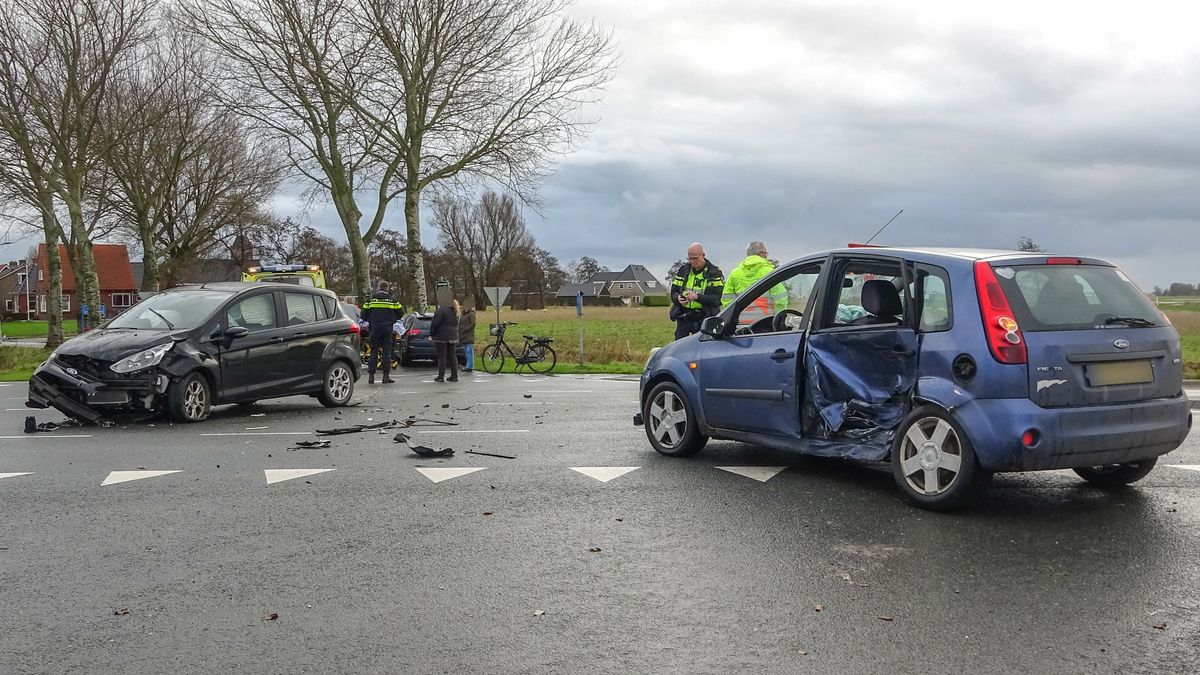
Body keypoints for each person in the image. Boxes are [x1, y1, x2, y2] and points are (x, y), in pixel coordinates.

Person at [723, 241, 787, 325]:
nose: (767, 256)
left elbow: (726, 301)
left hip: (741, 325)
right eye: (766, 253)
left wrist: (735, 319)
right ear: (760, 253)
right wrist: (779, 320)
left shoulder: (734, 273)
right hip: (765, 323)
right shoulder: (769, 272)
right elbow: (781, 299)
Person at [669, 242, 725, 339]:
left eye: (695, 258)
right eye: (690, 258)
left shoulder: (714, 273)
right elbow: (673, 292)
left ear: (703, 255)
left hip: (704, 318)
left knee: (703, 350)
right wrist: (678, 298)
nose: (692, 261)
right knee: (679, 348)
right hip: (684, 317)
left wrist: (697, 297)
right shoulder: (683, 270)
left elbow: (718, 299)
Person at [361, 281, 403, 384]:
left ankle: (371, 376)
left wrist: (371, 320)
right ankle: (386, 376)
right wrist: (392, 320)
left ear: (378, 288)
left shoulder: (371, 300)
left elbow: (363, 315)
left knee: (373, 352)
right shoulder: (392, 300)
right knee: (387, 352)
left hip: (374, 329)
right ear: (387, 288)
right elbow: (401, 313)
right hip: (387, 329)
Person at [429, 294, 460, 383]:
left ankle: (441, 376)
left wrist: (432, 333)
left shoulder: (441, 310)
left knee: (442, 356)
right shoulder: (455, 311)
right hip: (453, 336)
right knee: (452, 356)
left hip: (441, 336)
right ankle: (454, 376)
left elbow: (435, 323)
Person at [458, 300, 477, 372]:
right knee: (466, 350)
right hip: (463, 335)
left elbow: (473, 324)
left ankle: (470, 366)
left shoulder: (471, 313)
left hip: (469, 335)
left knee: (469, 350)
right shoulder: (463, 314)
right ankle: (468, 365)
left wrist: (466, 329)